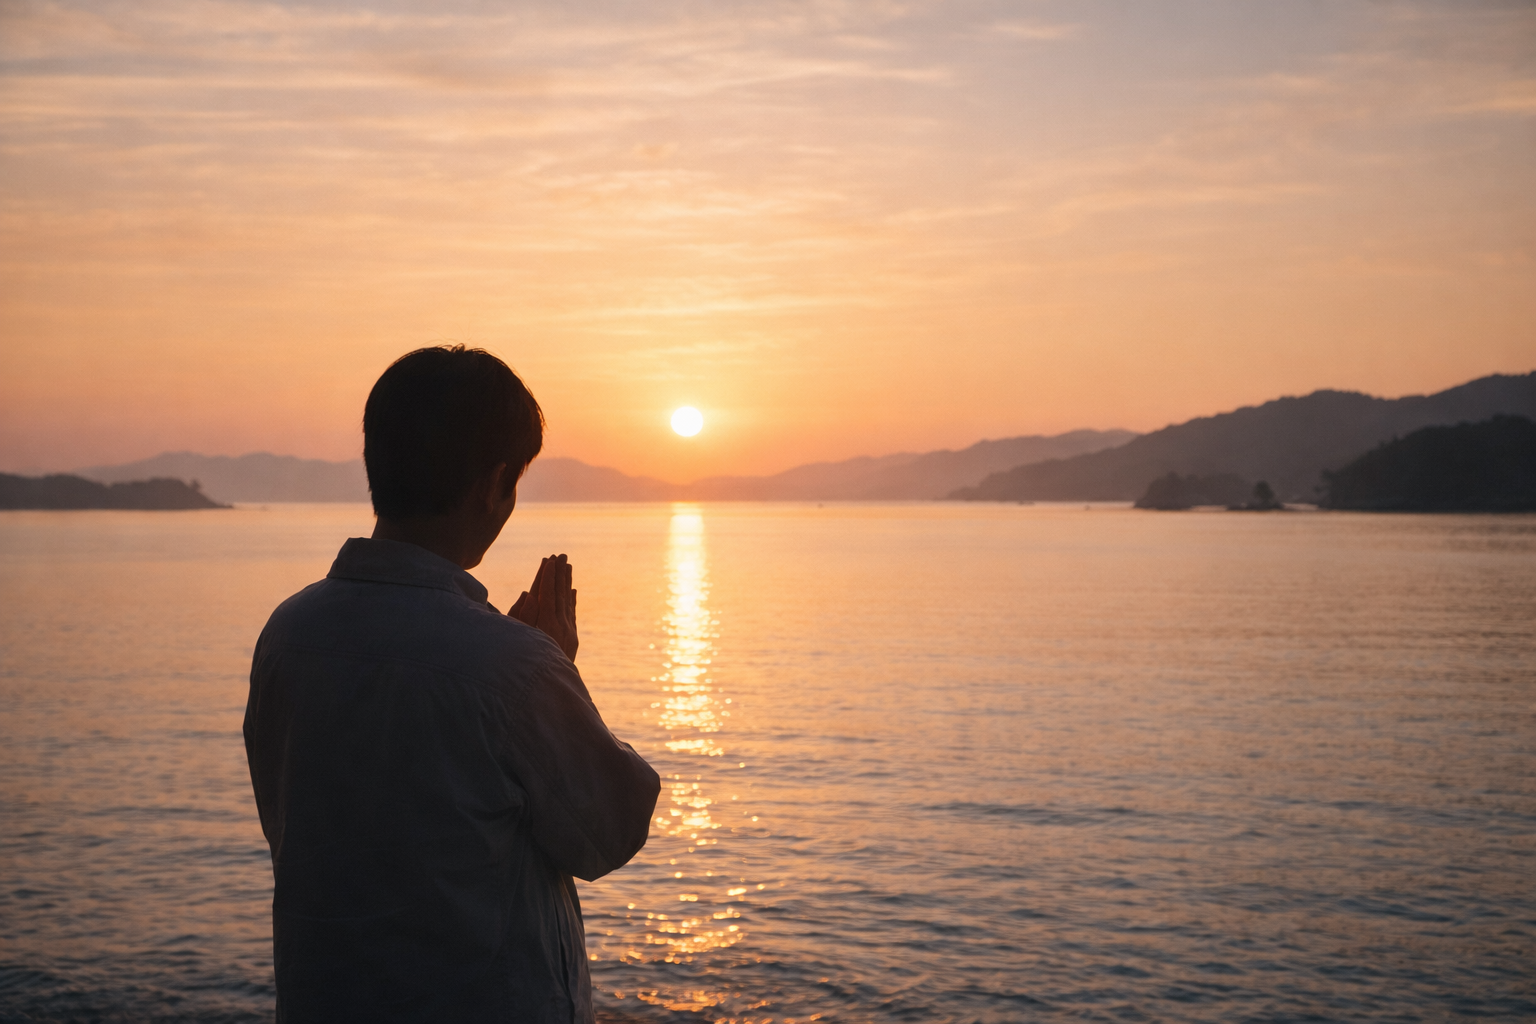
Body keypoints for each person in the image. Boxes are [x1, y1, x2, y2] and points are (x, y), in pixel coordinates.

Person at [244, 346, 660, 1023]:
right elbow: (609, 833)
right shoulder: (511, 667)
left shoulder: (289, 633)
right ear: (493, 485)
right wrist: (556, 669)